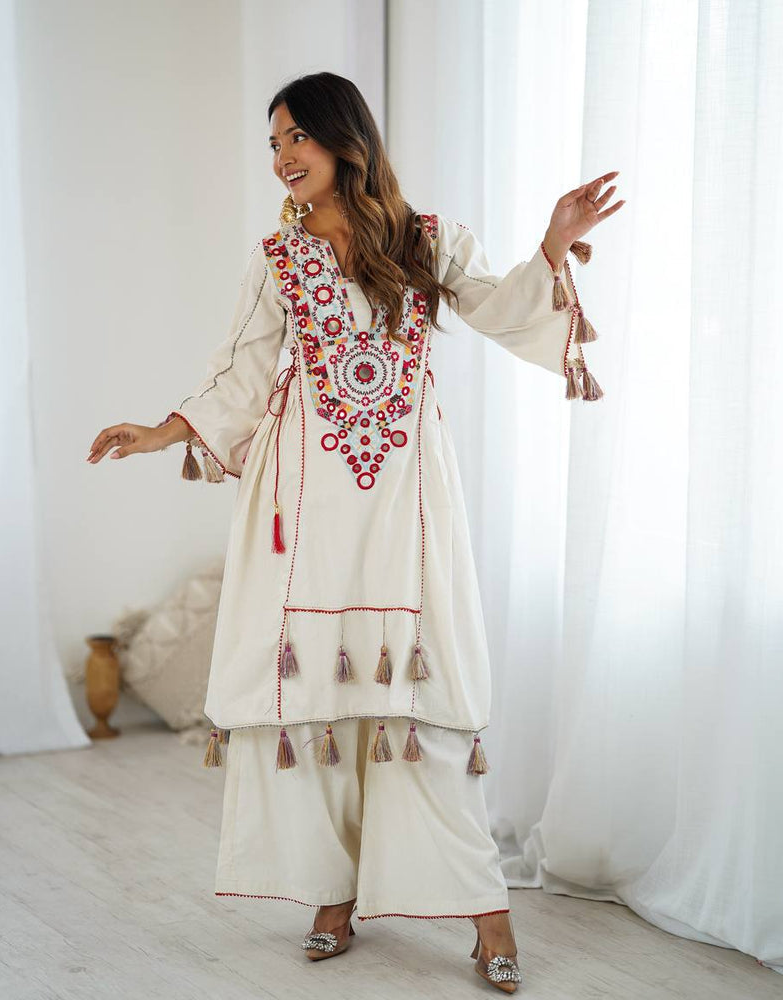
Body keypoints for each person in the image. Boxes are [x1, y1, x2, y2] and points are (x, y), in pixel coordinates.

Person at [87, 70, 623, 994]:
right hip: (304, 503)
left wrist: (553, 242)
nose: (283, 156)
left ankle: (487, 914)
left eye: (296, 137)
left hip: (406, 501)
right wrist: (161, 431)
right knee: (318, 703)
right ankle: (331, 899)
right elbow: (241, 378)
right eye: (273, 143)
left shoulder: (426, 240)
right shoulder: (276, 260)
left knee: (426, 695)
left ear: (345, 139)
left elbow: (500, 309)